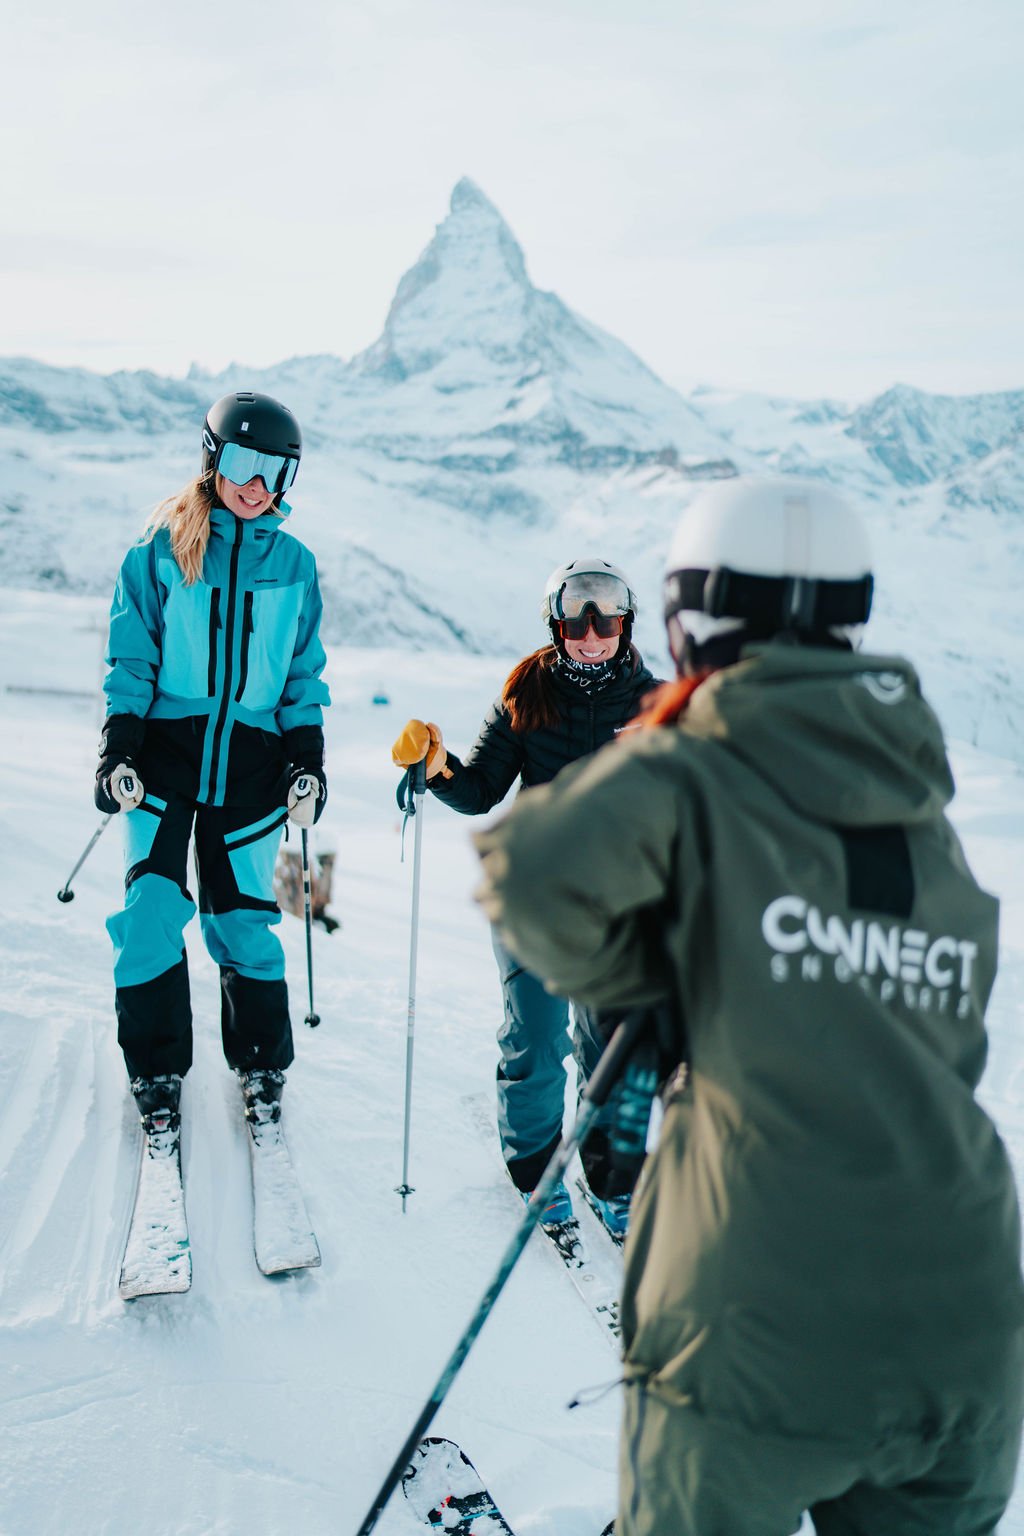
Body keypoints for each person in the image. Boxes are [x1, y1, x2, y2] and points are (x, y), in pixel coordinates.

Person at [473, 477, 1024, 1535]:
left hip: (756, 1325)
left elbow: (529, 873)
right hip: (964, 1328)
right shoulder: (924, 817)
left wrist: (650, 979)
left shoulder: (697, 766)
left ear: (684, 624)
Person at [392, 557, 659, 1236]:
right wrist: (436, 768)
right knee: (538, 1042)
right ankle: (536, 1166)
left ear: (626, 625)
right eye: (578, 621)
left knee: (613, 1054)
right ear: (558, 624)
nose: (593, 636)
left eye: (608, 620)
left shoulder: (655, 704)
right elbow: (479, 787)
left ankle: (609, 1176)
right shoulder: (525, 694)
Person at [96, 390, 330, 1134]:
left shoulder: (295, 565)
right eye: (243, 461)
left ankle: (262, 1067)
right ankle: (157, 1071)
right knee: (151, 916)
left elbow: (301, 673)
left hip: (252, 771)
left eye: (276, 471)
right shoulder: (160, 549)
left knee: (243, 923)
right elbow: (131, 658)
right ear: (212, 456)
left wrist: (307, 759)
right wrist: (118, 747)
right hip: (164, 762)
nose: (256, 484)